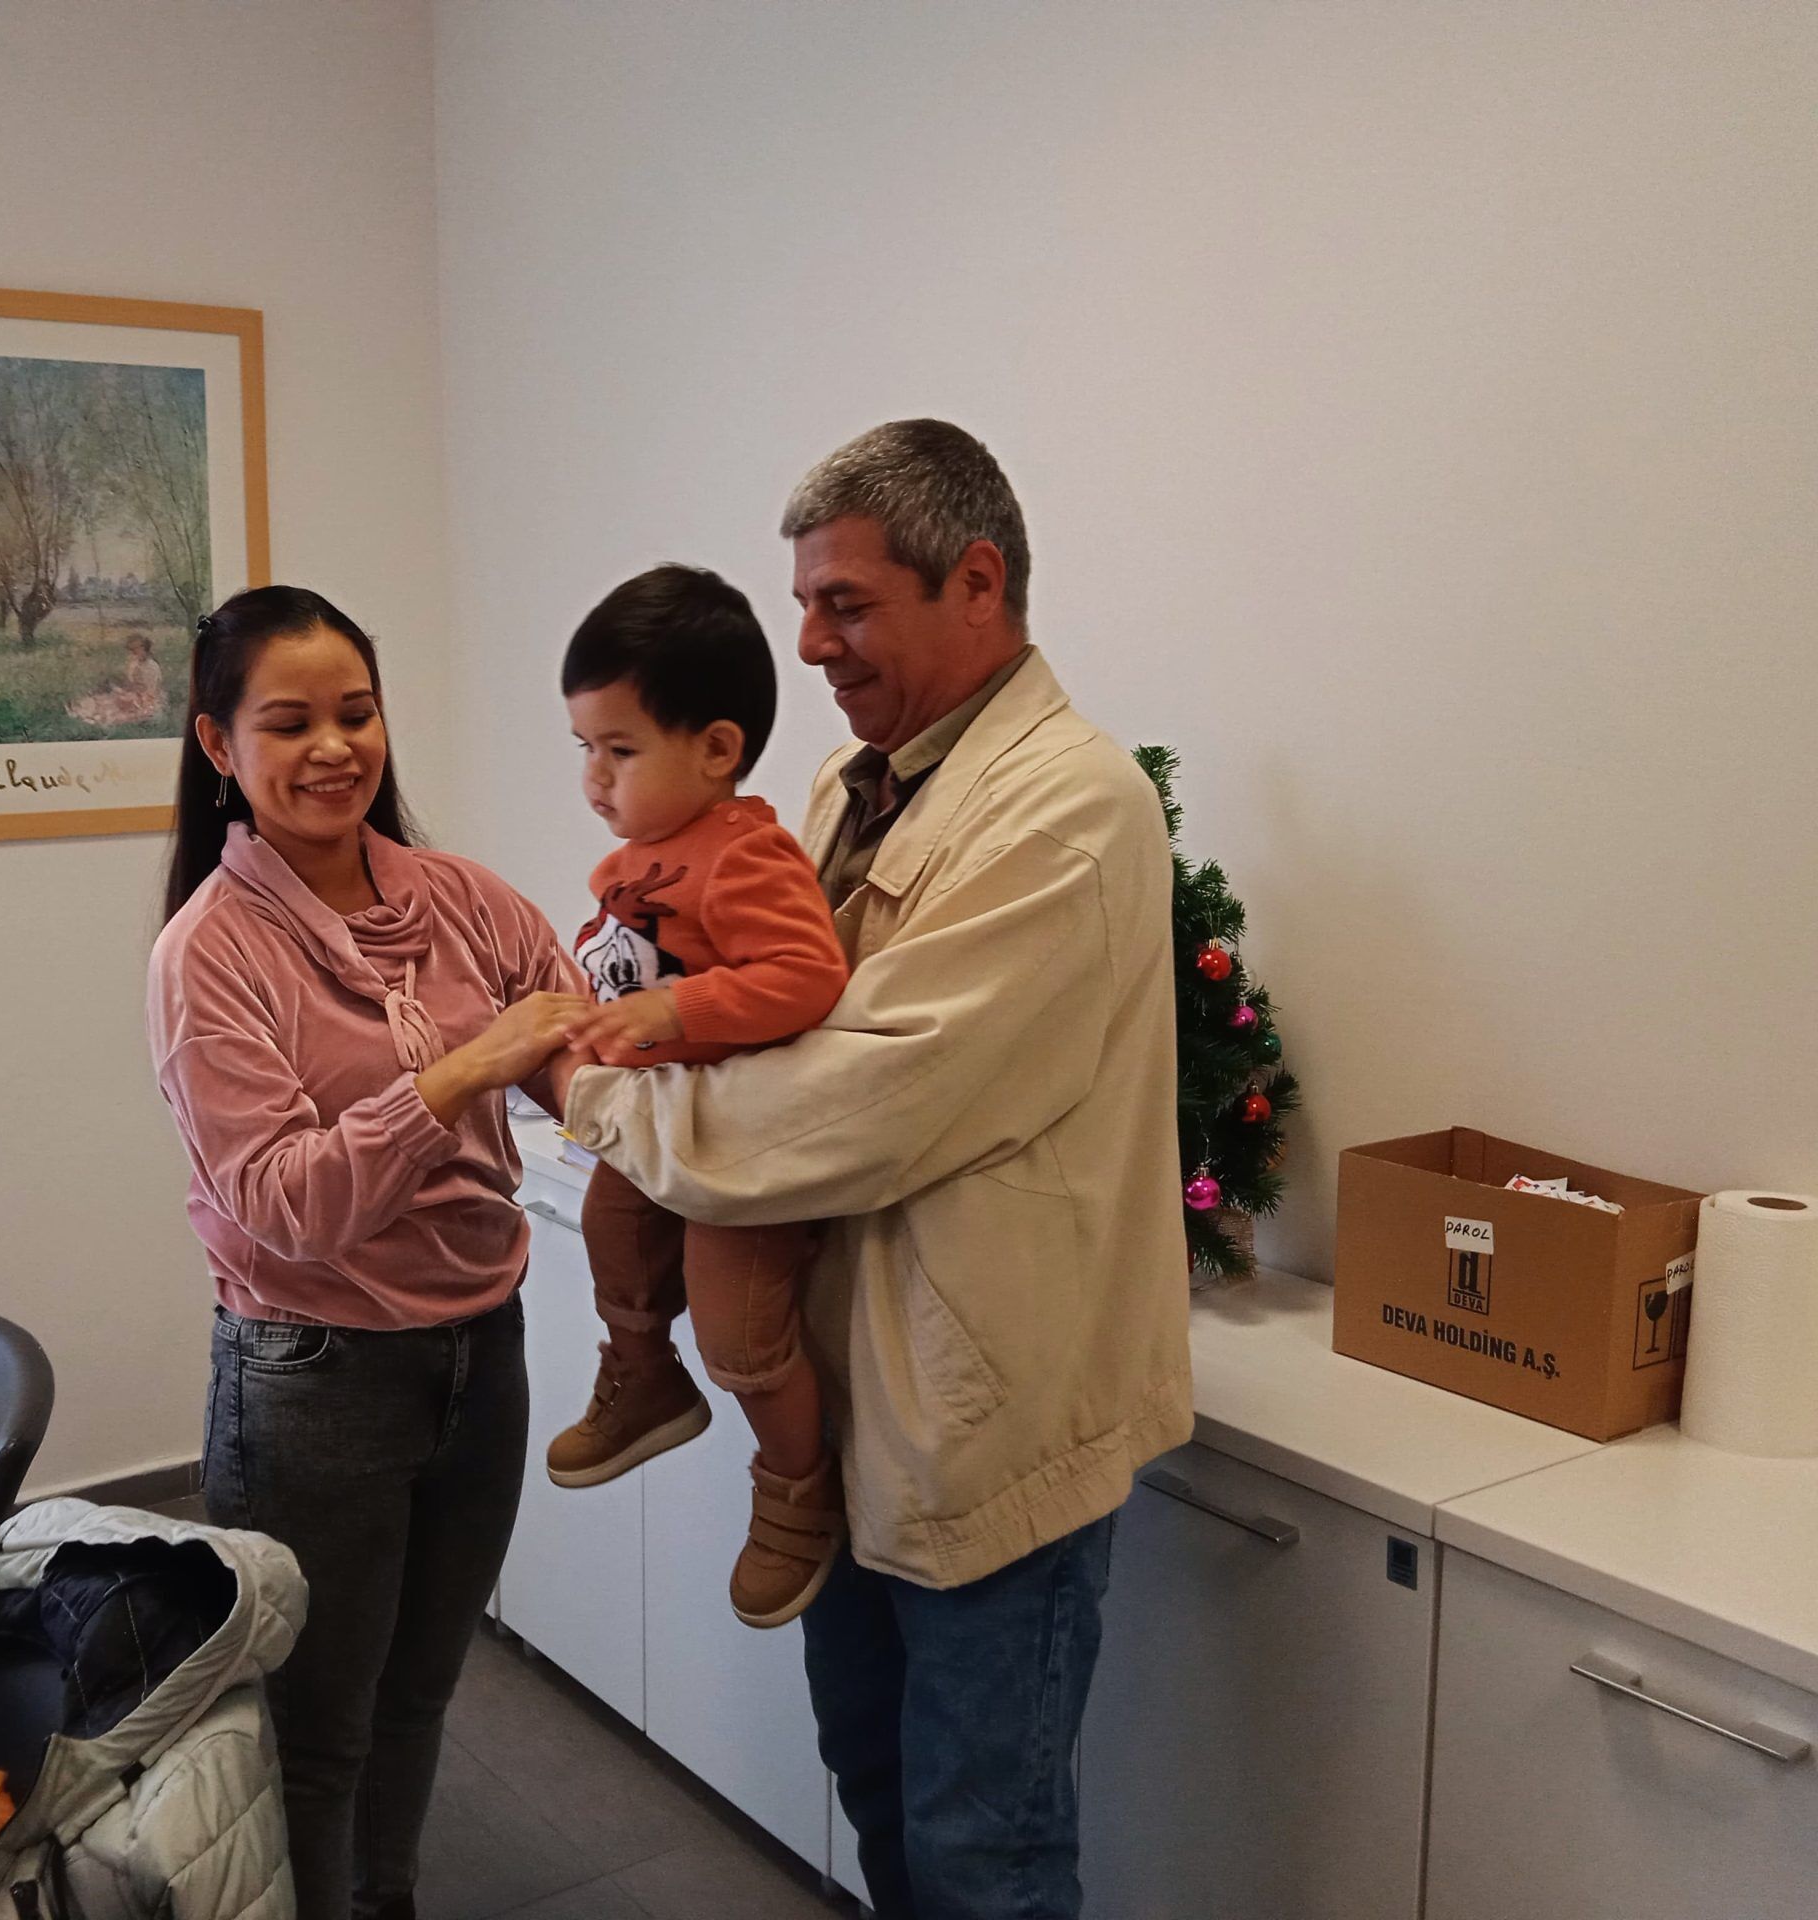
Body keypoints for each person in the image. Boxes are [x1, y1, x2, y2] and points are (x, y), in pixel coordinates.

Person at [554, 422, 1191, 1919]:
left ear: (975, 582)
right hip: (856, 1402)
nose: (808, 643)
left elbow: (859, 1105)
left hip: (984, 1427)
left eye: (845, 603)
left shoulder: (1071, 809)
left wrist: (594, 1090)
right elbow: (763, 1002)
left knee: (984, 1854)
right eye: (804, 603)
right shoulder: (857, 780)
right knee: (880, 1792)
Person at [147, 585, 589, 1920]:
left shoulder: (461, 899)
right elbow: (287, 1204)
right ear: (219, 744)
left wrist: (652, 1070)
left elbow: (569, 1034)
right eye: (290, 723)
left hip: (481, 1352)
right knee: (313, 1732)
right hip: (314, 1377)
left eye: (357, 712)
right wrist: (467, 1069)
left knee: (418, 1696)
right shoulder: (208, 954)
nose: (334, 747)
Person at [541, 564, 852, 1629]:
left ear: (717, 749)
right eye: (584, 747)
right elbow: (629, 968)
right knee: (609, 1232)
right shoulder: (639, 860)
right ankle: (641, 1374)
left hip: (737, 1148)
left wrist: (671, 1012)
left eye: (620, 751)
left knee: (742, 1337)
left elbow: (806, 975)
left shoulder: (745, 856)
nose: (594, 778)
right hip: (655, 1127)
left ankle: (796, 1486)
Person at [69, 629, 166, 731]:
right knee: (104, 699)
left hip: (145, 700)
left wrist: (126, 691)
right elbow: (130, 682)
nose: (132, 653)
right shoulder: (136, 663)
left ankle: (94, 717)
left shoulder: (151, 667)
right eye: (131, 650)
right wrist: (121, 686)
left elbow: (149, 690)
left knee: (112, 704)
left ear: (143, 648)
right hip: (134, 695)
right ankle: (82, 712)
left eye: (134, 650)